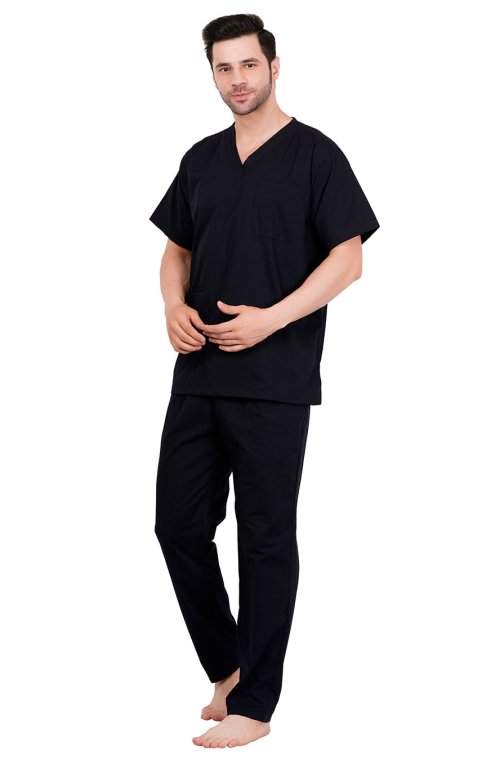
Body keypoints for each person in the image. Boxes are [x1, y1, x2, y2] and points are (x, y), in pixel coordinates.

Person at [149, 13, 380, 749]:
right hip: (199, 374)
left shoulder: (315, 155)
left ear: (275, 67)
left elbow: (349, 259)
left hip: (274, 380)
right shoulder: (201, 159)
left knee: (265, 537)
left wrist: (272, 321)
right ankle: (229, 667)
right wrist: (172, 305)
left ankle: (256, 703)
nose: (237, 80)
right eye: (224, 68)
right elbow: (176, 250)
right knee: (177, 525)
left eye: (249, 65)